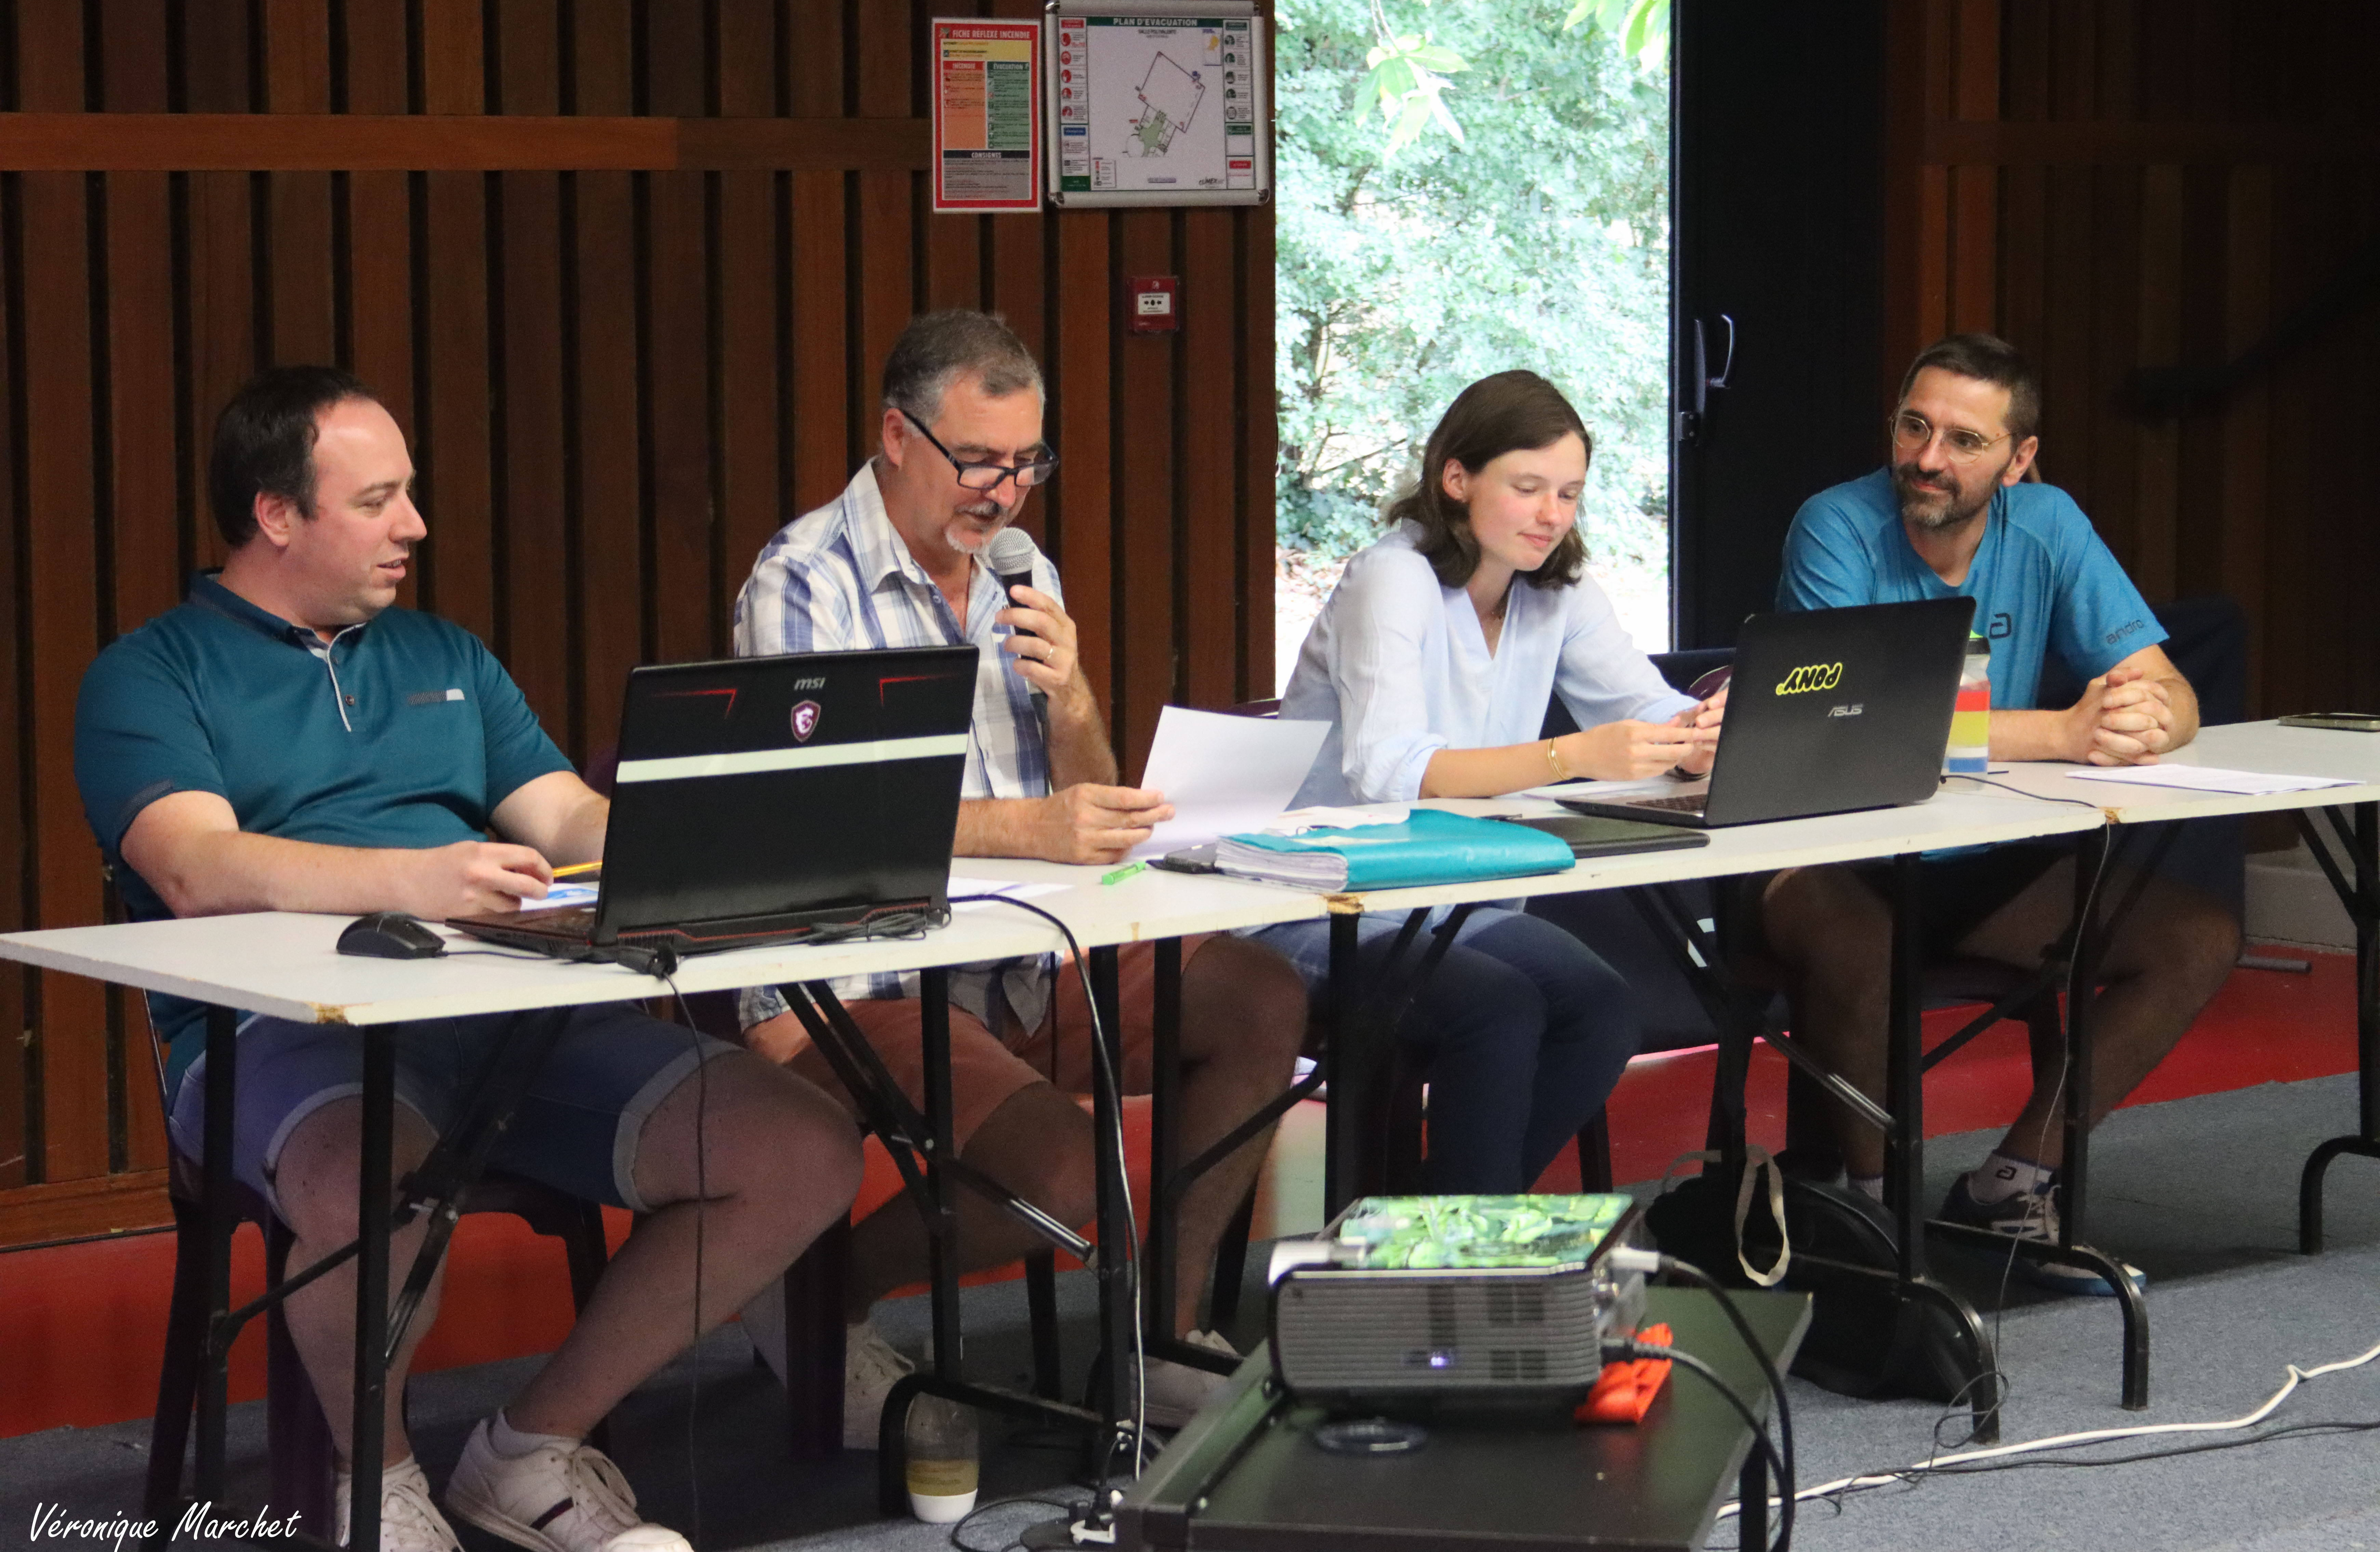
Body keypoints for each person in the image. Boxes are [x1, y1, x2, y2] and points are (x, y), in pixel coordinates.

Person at [75, 367, 864, 1552]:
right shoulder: (150, 673)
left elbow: (565, 818)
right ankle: (379, 1475)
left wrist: (705, 846)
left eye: (409, 492)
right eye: (378, 501)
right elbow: (196, 865)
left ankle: (531, 1449)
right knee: (366, 1178)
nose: (416, 525)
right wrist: (414, 878)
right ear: (275, 513)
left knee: (801, 1149)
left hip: (508, 1014)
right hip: (277, 1037)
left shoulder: (445, 652)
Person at [732, 310, 1306, 1440]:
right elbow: (825, 823)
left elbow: (1082, 796)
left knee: (1260, 998)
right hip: (865, 976)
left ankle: (1162, 1330)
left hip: (1021, 954)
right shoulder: (803, 583)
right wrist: (1032, 831)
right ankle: (819, 1294)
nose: (1004, 495)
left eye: (1027, 462)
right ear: (897, 437)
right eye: (978, 462)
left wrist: (1076, 698)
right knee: (1071, 1179)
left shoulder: (1021, 570)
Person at [1760, 331, 2240, 1290]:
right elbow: (1851, 725)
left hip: (1974, 854)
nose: (1928, 457)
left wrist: (2156, 715)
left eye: (1965, 441)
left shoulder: (2050, 522)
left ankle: (2012, 1184)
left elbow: (2166, 685)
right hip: (1826, 852)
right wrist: (2062, 733)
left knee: (2195, 940)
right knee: (1864, 947)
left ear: (2020, 460)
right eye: (1915, 427)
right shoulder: (1835, 525)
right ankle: (1875, 1215)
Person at [1258, 369, 1723, 1193]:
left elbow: (1645, 705)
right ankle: (1464, 1241)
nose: (1553, 515)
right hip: (1326, 899)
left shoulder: (1557, 588)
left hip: (1457, 898)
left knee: (1603, 1007)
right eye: (1529, 488)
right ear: (1457, 479)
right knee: (1498, 1009)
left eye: (1570, 494)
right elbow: (1393, 770)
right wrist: (1571, 755)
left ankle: (1441, 1224)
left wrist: (1699, 733)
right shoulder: (1392, 577)